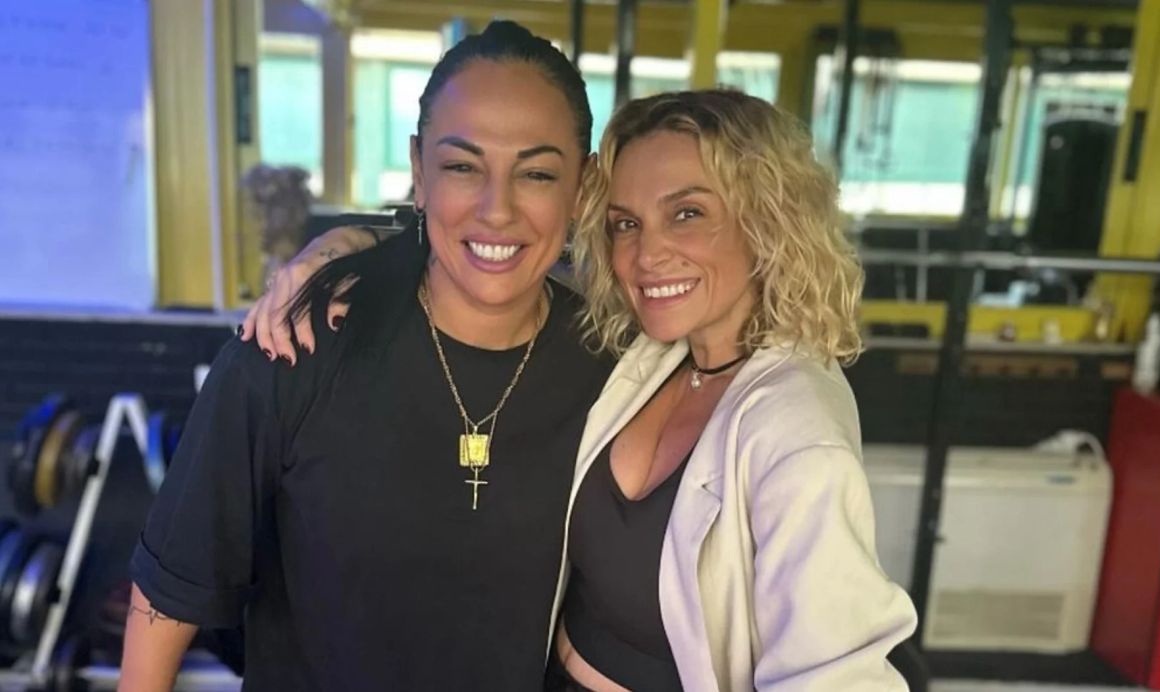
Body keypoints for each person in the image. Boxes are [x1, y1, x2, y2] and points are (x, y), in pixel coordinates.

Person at [251, 89, 917, 690]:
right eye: (626, 223)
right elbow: (487, 239)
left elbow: (839, 675)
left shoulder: (797, 433)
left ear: (769, 220)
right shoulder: (646, 353)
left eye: (687, 213)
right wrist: (342, 247)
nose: (646, 255)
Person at [120, 21, 613, 692]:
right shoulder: (300, 342)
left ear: (582, 187)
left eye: (537, 173)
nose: (497, 210)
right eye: (462, 167)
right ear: (418, 171)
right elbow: (173, 586)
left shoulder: (615, 371)